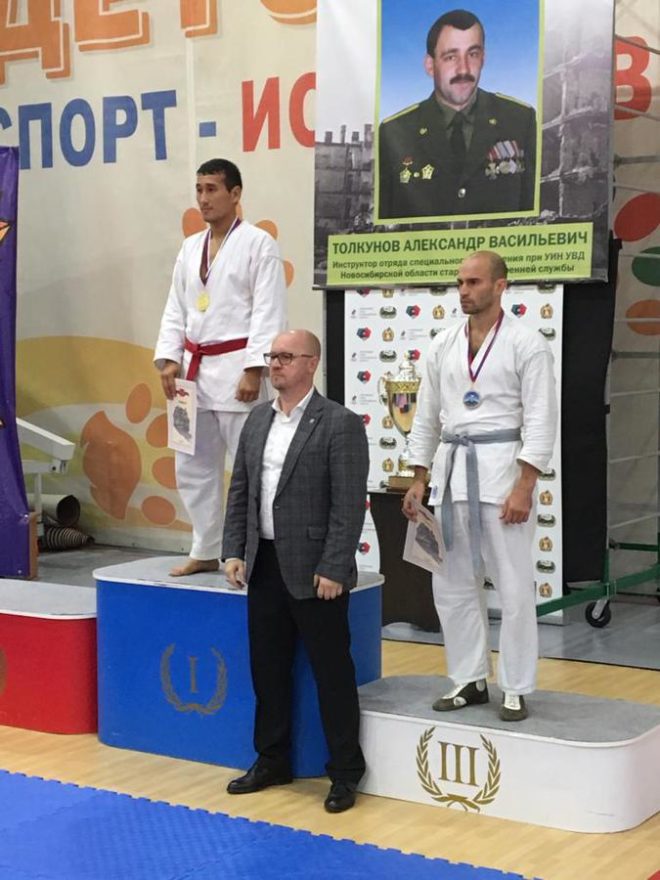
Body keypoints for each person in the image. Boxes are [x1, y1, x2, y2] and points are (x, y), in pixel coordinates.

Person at [402, 251, 557, 721]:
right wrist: (419, 477)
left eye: (474, 282)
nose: (464, 291)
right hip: (452, 476)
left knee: (513, 587)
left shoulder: (526, 344)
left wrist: (525, 485)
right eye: (460, 283)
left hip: (502, 474)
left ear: (500, 286)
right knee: (450, 585)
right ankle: (468, 678)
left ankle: (515, 685)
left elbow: (541, 418)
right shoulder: (443, 343)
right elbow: (427, 415)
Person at [223, 329, 368, 812]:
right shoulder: (257, 420)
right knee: (267, 670)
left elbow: (349, 504)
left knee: (332, 674)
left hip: (317, 572)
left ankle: (345, 771)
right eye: (272, 356)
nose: (275, 364)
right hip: (263, 564)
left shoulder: (339, 423)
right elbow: (241, 490)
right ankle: (272, 759)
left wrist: (334, 566)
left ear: (311, 363)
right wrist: (234, 550)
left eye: (286, 356)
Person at [154, 158, 287, 577]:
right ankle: (205, 548)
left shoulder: (258, 244)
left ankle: (248, 552)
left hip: (236, 371)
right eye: (199, 189)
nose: (203, 198)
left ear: (235, 193)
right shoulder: (190, 247)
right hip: (191, 375)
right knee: (191, 466)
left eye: (212, 189)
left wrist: (255, 368)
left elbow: (268, 310)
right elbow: (176, 306)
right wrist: (169, 358)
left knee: (249, 467)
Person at [378, 9, 537, 220]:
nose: (464, 69)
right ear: (430, 65)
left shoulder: (520, 120)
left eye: (473, 54)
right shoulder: (395, 132)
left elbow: (530, 209)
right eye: (451, 57)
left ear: (483, 59)